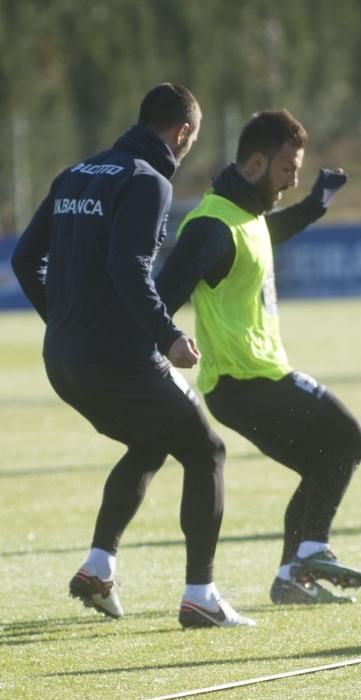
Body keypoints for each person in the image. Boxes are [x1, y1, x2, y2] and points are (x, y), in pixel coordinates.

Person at [11, 83, 255, 629]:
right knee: (207, 451)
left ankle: (98, 568)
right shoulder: (149, 182)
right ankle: (201, 596)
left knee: (151, 442)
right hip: (116, 359)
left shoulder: (75, 173)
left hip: (62, 359)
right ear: (183, 132)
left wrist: (67, 324)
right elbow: (129, 267)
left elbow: (27, 260)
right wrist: (167, 334)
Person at [156, 109, 361, 605]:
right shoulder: (211, 224)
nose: (293, 179)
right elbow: (163, 292)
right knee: (349, 440)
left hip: (243, 386)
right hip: (246, 380)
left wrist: (316, 203)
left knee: (323, 467)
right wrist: (164, 338)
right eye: (288, 169)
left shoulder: (243, 215)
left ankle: (291, 579)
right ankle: (312, 551)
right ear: (256, 162)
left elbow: (267, 234)